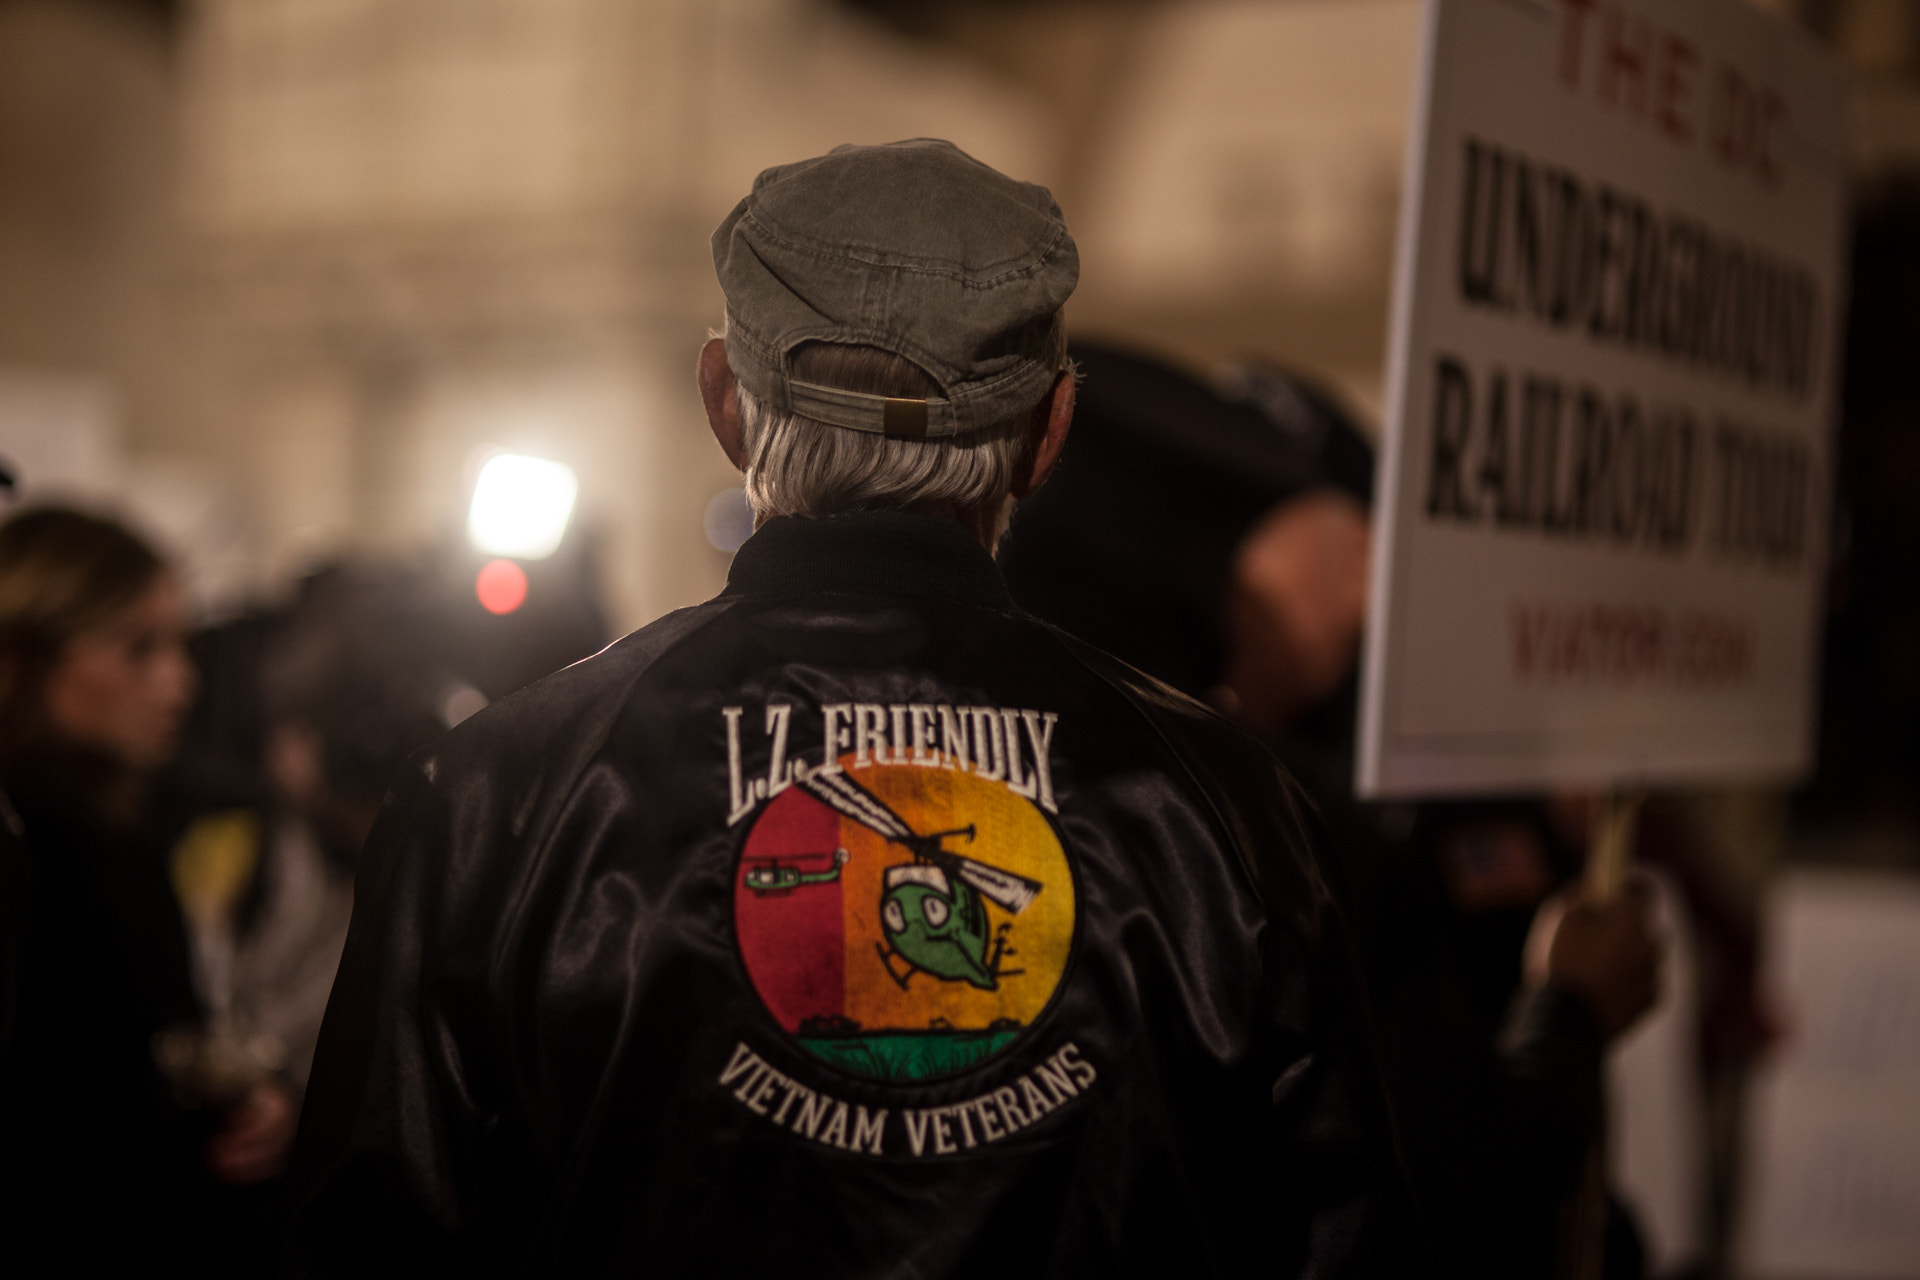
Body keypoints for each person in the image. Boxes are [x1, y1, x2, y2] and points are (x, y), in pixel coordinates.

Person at [288, 139, 1392, 1277]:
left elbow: (367, 1241)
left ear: (723, 399)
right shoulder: (1225, 806)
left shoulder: (500, 798)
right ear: (1048, 433)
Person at [999, 344, 1665, 1278]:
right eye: (1336, 550)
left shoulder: (972, 800)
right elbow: (1441, 1177)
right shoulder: (1264, 823)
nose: (1359, 594)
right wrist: (1574, 1012)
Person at [0, 505, 295, 1271]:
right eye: (139, 649)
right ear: (24, 658)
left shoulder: (120, 831)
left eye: (181, 646)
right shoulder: (36, 846)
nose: (181, 682)